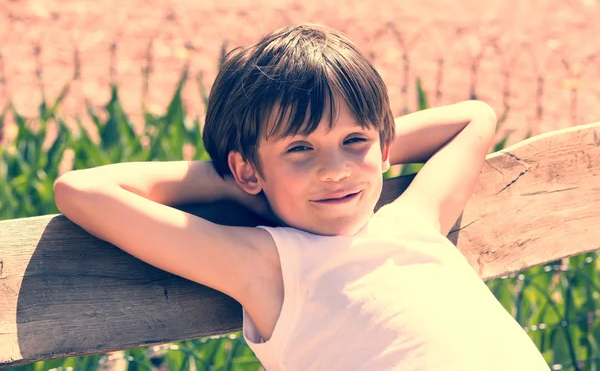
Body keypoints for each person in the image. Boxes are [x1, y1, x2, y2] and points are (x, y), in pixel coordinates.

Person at [54, 23, 549, 370]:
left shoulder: (415, 220)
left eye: (353, 141)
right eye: (300, 149)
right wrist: (246, 180)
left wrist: (375, 149)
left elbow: (474, 118)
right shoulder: (268, 266)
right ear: (246, 169)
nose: (334, 171)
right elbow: (82, 190)